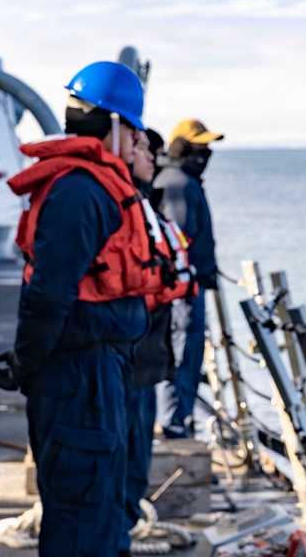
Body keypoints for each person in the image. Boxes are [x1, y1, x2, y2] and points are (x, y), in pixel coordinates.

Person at [0, 61, 155, 556]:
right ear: (116, 125)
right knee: (81, 514)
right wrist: (27, 362)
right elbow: (49, 293)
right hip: (80, 375)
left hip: (100, 370)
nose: (137, 140)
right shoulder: (81, 192)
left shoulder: (93, 186)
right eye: (134, 129)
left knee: (100, 506)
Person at [121, 128, 197, 554]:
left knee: (137, 450)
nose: (153, 157)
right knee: (121, 448)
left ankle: (127, 522)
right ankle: (119, 527)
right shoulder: (119, 205)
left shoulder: (144, 203)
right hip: (129, 355)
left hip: (148, 354)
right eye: (145, 150)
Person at [153, 118, 223, 439]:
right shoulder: (177, 183)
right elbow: (177, 242)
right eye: (199, 145)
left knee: (187, 357)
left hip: (190, 287)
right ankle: (174, 427)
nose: (205, 152)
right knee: (181, 357)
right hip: (182, 292)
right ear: (182, 146)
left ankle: (179, 423)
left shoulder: (182, 180)